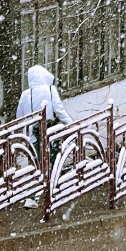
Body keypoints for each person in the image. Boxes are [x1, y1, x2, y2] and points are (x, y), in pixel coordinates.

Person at [16, 64, 73, 208]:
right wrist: (71, 123)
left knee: (35, 165)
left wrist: (24, 134)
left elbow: (19, 117)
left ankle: (31, 196)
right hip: (50, 131)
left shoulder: (26, 94)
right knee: (52, 160)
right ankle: (54, 191)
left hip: (32, 134)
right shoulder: (50, 89)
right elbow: (59, 110)